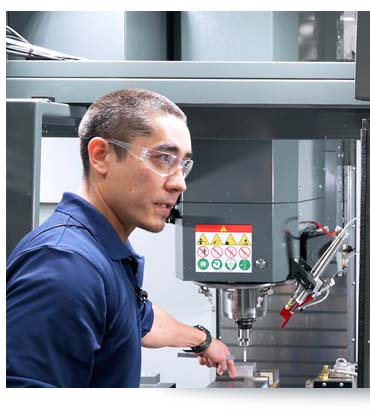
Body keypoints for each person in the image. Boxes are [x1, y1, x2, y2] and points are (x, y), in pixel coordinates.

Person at [6, 88, 236, 387]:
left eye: (183, 164)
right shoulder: (65, 267)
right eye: (164, 158)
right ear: (101, 156)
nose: (180, 183)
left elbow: (141, 320)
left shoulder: (102, 251)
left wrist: (204, 340)